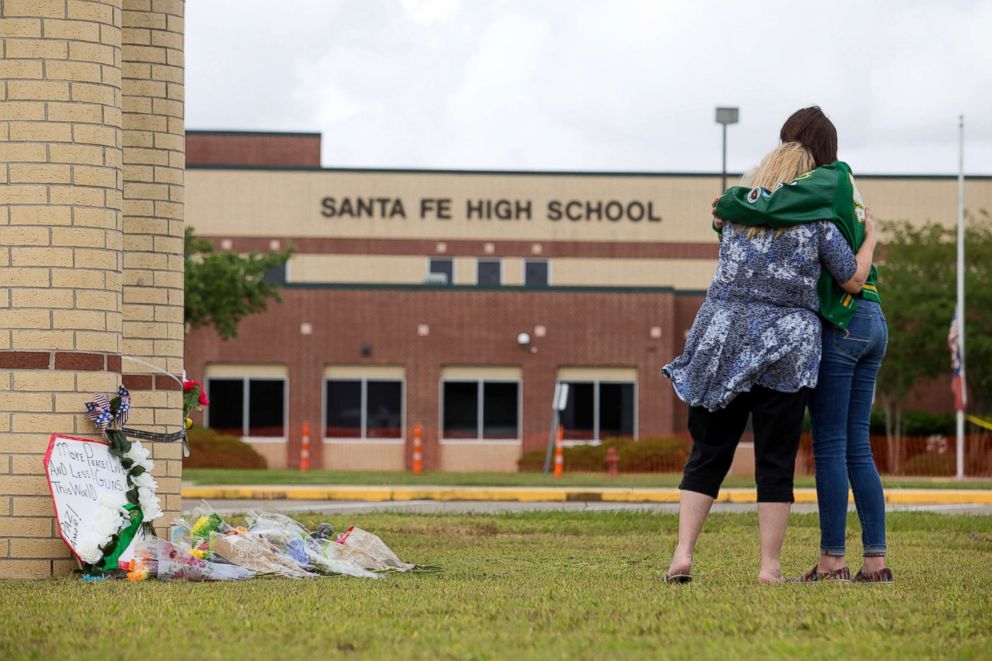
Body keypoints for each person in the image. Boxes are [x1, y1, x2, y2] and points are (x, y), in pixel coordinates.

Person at [662, 140, 877, 584]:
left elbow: (721, 226)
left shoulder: (734, 216)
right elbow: (853, 281)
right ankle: (769, 567)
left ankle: (683, 553)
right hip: (786, 348)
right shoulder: (817, 222)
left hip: (722, 342)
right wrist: (871, 238)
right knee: (775, 460)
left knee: (706, 454)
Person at [714, 106, 892, 583]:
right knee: (858, 446)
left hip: (845, 320)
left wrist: (728, 202)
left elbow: (767, 205)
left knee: (831, 445)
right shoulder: (845, 185)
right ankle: (875, 561)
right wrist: (872, 239)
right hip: (873, 318)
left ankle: (833, 559)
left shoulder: (825, 179)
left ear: (804, 146)